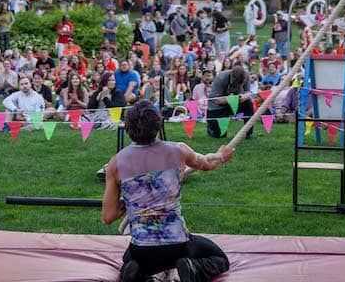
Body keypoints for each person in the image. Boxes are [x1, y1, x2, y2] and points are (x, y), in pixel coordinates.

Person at [102, 100, 233, 282]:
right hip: (178, 246)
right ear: (158, 124)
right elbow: (206, 164)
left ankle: (136, 272)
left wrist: (133, 201)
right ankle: (193, 268)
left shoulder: (116, 164)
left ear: (128, 127)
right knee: (219, 258)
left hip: (142, 249)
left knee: (129, 260)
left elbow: (108, 216)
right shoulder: (178, 150)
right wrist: (221, 156)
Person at [206, 66, 252, 138]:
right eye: (237, 83)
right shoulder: (221, 78)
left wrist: (244, 96)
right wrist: (233, 99)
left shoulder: (246, 75)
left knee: (248, 104)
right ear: (232, 77)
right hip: (216, 107)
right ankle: (211, 128)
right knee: (220, 135)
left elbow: (248, 92)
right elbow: (217, 100)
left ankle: (248, 133)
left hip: (234, 102)